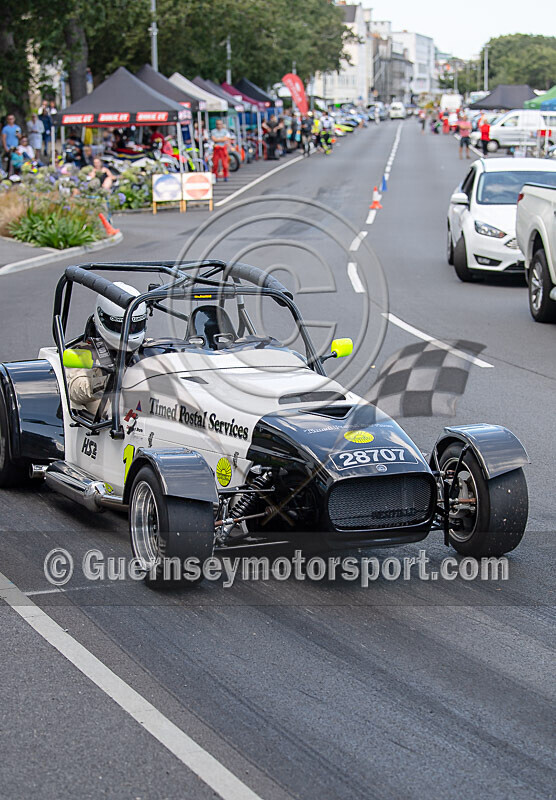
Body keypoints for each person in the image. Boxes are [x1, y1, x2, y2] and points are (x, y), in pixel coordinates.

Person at [67, 283, 147, 415]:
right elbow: (74, 389)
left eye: (134, 326)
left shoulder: (148, 348)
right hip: (108, 426)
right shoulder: (82, 351)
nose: (129, 331)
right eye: (120, 326)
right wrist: (108, 381)